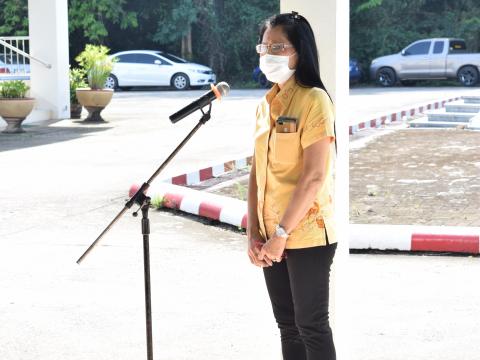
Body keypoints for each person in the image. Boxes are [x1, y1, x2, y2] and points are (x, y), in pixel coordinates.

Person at [246, 11, 337, 360]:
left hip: (306, 234)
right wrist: (253, 235)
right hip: (270, 236)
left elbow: (314, 176)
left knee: (311, 325)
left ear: (300, 51)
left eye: (278, 47)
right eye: (264, 47)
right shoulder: (264, 106)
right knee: (287, 325)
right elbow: (257, 174)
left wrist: (282, 232)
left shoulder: (314, 100)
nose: (268, 54)